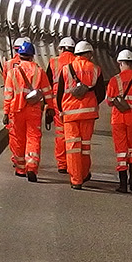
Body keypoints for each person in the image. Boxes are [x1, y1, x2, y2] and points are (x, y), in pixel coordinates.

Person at [57, 41, 104, 189]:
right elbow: (101, 93)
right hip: (88, 114)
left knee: (72, 147)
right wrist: (92, 103)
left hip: (70, 114)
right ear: (89, 54)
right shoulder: (96, 69)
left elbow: (59, 93)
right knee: (85, 146)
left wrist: (61, 109)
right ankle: (84, 174)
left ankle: (76, 179)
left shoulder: (66, 69)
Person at [2, 39, 50, 181]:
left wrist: (6, 112)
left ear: (19, 54)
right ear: (32, 56)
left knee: (18, 139)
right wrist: (51, 108)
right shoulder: (39, 71)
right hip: (33, 110)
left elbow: (8, 94)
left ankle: (20, 168)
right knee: (33, 138)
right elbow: (48, 92)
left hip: (16, 110)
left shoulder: (12, 72)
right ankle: (32, 167)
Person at [106, 49, 132, 193]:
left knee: (121, 151)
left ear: (120, 63)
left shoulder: (114, 80)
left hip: (118, 120)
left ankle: (123, 184)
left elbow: (109, 101)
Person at [49, 36, 77, 173]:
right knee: (73, 135)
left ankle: (62, 164)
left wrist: (48, 105)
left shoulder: (53, 62)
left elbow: (47, 84)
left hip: (57, 101)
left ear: (60, 48)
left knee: (60, 134)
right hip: (74, 102)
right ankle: (74, 165)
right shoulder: (78, 62)